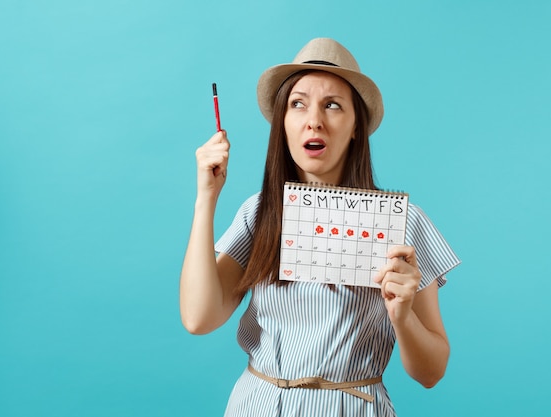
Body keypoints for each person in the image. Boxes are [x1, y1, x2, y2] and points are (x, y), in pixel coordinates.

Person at [180, 38, 460, 416]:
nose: (314, 120)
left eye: (332, 105)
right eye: (298, 104)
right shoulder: (260, 212)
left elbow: (431, 372)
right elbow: (199, 317)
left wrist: (403, 315)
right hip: (259, 405)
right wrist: (205, 199)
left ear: (357, 126)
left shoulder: (403, 223)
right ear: (283, 123)